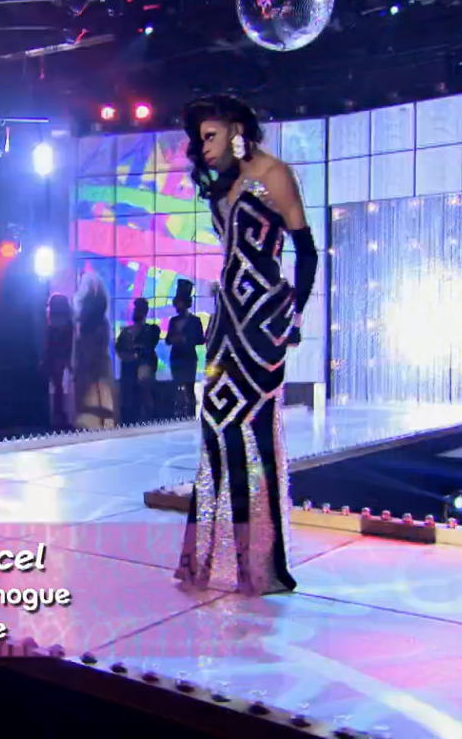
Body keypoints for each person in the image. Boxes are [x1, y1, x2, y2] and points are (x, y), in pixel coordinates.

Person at [174, 95, 318, 596]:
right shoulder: (225, 184)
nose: (203, 148)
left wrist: (294, 315)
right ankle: (211, 560)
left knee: (251, 431)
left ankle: (257, 566)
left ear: (236, 129)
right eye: (199, 140)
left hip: (262, 324)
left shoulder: (274, 174)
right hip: (225, 323)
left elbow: (306, 252)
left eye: (210, 135)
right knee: (214, 427)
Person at [73, 272, 117, 429]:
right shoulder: (101, 323)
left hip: (90, 364)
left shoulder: (87, 323)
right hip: (96, 363)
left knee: (91, 399)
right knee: (100, 398)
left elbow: (87, 345)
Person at [116, 297, 161, 423]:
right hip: (128, 371)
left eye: (140, 309)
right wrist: (127, 355)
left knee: (145, 396)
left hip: (144, 369)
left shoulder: (152, 329)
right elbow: (119, 348)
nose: (136, 312)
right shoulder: (126, 332)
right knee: (129, 398)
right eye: (136, 309)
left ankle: (147, 420)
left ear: (145, 311)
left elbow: (150, 345)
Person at [166, 279, 205, 418]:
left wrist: (186, 339)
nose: (178, 306)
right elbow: (167, 340)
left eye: (180, 303)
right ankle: (178, 416)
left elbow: (201, 340)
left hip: (189, 358)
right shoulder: (173, 321)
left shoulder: (195, 321)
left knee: (189, 388)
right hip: (176, 357)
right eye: (177, 303)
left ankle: (191, 416)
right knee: (177, 387)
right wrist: (173, 339)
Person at [42, 293, 74, 429]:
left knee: (56, 387)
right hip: (59, 358)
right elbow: (68, 345)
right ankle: (59, 416)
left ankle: (55, 416)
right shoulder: (67, 325)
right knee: (58, 387)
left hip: (52, 357)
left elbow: (48, 344)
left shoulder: (51, 324)